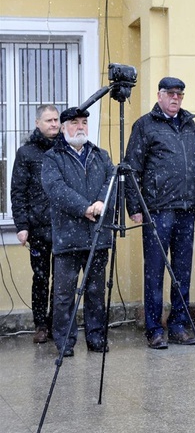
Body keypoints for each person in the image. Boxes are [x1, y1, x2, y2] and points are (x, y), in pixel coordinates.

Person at [125, 77, 195, 349]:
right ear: (159, 95)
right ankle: (155, 329)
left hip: (184, 210)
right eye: (170, 93)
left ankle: (179, 325)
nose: (175, 98)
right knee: (155, 272)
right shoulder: (145, 125)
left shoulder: (190, 126)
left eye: (179, 94)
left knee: (183, 272)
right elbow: (132, 168)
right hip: (156, 211)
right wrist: (134, 207)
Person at [41, 107, 115, 357]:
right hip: (68, 237)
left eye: (84, 122)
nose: (80, 127)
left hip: (97, 236)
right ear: (63, 128)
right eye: (74, 123)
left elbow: (112, 182)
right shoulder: (53, 157)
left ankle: (96, 338)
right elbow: (55, 189)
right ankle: (65, 342)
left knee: (95, 292)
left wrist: (102, 202)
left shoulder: (100, 155)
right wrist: (83, 207)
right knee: (64, 295)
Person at [11, 105, 60, 343]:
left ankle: (57, 324)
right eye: (49, 120)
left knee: (62, 280)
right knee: (41, 278)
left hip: (64, 226)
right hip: (38, 228)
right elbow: (17, 192)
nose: (54, 124)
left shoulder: (65, 149)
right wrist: (22, 225)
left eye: (56, 120)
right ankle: (41, 325)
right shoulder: (26, 153)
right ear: (37, 122)